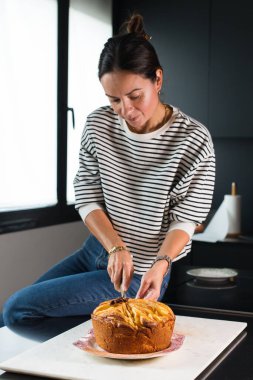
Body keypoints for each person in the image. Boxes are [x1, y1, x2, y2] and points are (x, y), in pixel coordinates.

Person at [3, 14, 215, 338]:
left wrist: (162, 263)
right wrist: (115, 247)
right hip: (97, 251)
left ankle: (106, 343)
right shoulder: (99, 125)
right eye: (113, 99)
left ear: (157, 80)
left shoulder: (192, 139)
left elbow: (185, 220)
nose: (126, 110)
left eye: (135, 96)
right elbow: (87, 195)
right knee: (17, 315)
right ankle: (107, 342)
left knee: (18, 310)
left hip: (144, 270)